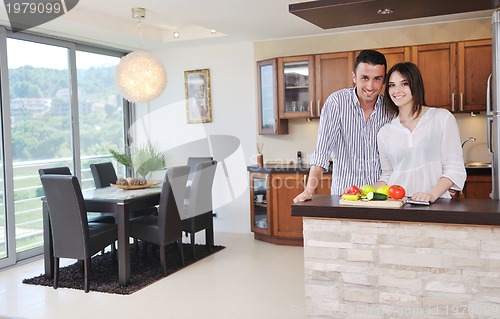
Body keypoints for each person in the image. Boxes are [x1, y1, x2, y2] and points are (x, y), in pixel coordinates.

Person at [293, 50, 389, 202]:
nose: (370, 86)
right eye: (364, 78)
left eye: (377, 79)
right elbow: (322, 153)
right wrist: (308, 191)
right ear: (354, 77)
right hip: (344, 197)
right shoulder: (336, 103)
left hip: (379, 197)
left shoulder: (390, 108)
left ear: (383, 80)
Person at [372, 62, 466, 202]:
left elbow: (454, 168)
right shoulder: (385, 132)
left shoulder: (442, 118)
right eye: (392, 85)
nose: (396, 90)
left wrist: (431, 195)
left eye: (404, 83)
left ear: (415, 85)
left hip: (437, 205)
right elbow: (387, 175)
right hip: (399, 206)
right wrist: (361, 192)